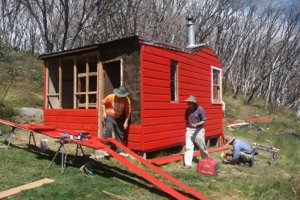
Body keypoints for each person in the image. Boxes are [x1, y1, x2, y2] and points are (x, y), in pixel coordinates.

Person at [101, 86, 131, 156]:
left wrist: (126, 121)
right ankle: (107, 149)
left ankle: (120, 150)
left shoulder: (127, 100)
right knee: (108, 129)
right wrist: (104, 112)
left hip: (119, 117)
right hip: (110, 115)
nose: (120, 97)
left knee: (119, 133)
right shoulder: (111, 96)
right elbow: (103, 103)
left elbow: (128, 112)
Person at [183, 95, 208, 168]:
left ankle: (205, 160)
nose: (188, 104)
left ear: (194, 103)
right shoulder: (187, 110)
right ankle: (188, 164)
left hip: (198, 130)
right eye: (188, 102)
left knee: (202, 146)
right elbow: (186, 120)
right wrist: (187, 127)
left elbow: (204, 121)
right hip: (189, 130)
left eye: (189, 103)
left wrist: (197, 124)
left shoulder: (200, 109)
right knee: (188, 147)